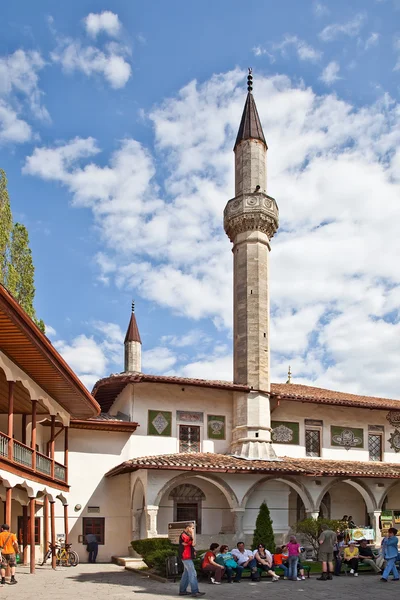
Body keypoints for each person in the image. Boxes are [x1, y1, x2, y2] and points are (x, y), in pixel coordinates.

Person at [178, 523, 205, 597]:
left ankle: (182, 591)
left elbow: (191, 545)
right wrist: (193, 533)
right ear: (188, 527)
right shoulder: (184, 535)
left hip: (187, 557)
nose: (193, 530)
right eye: (192, 528)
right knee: (193, 574)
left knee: (186, 574)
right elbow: (193, 543)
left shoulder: (186, 535)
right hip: (186, 557)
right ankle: (195, 591)